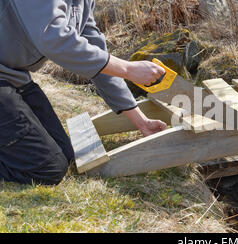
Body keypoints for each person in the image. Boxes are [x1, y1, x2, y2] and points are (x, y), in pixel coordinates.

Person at [0, 0, 167, 185]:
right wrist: (128, 69)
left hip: (12, 77)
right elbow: (54, 39)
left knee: (65, 154)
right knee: (46, 169)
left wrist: (141, 121)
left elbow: (96, 52)